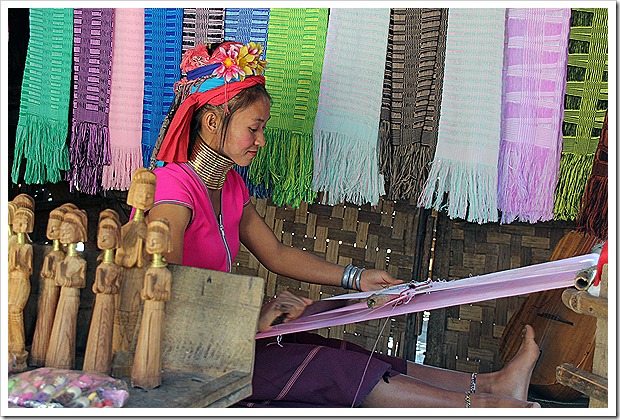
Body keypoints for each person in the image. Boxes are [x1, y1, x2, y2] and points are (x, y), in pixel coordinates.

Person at [146, 41, 541, 408]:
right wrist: (250, 320)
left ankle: (490, 385)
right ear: (213, 122)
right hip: (178, 358)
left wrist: (358, 278)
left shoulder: (228, 184)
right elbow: (165, 287)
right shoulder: (172, 192)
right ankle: (489, 408)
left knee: (337, 351)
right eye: (254, 127)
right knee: (326, 367)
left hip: (216, 339)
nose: (261, 140)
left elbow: (275, 253)